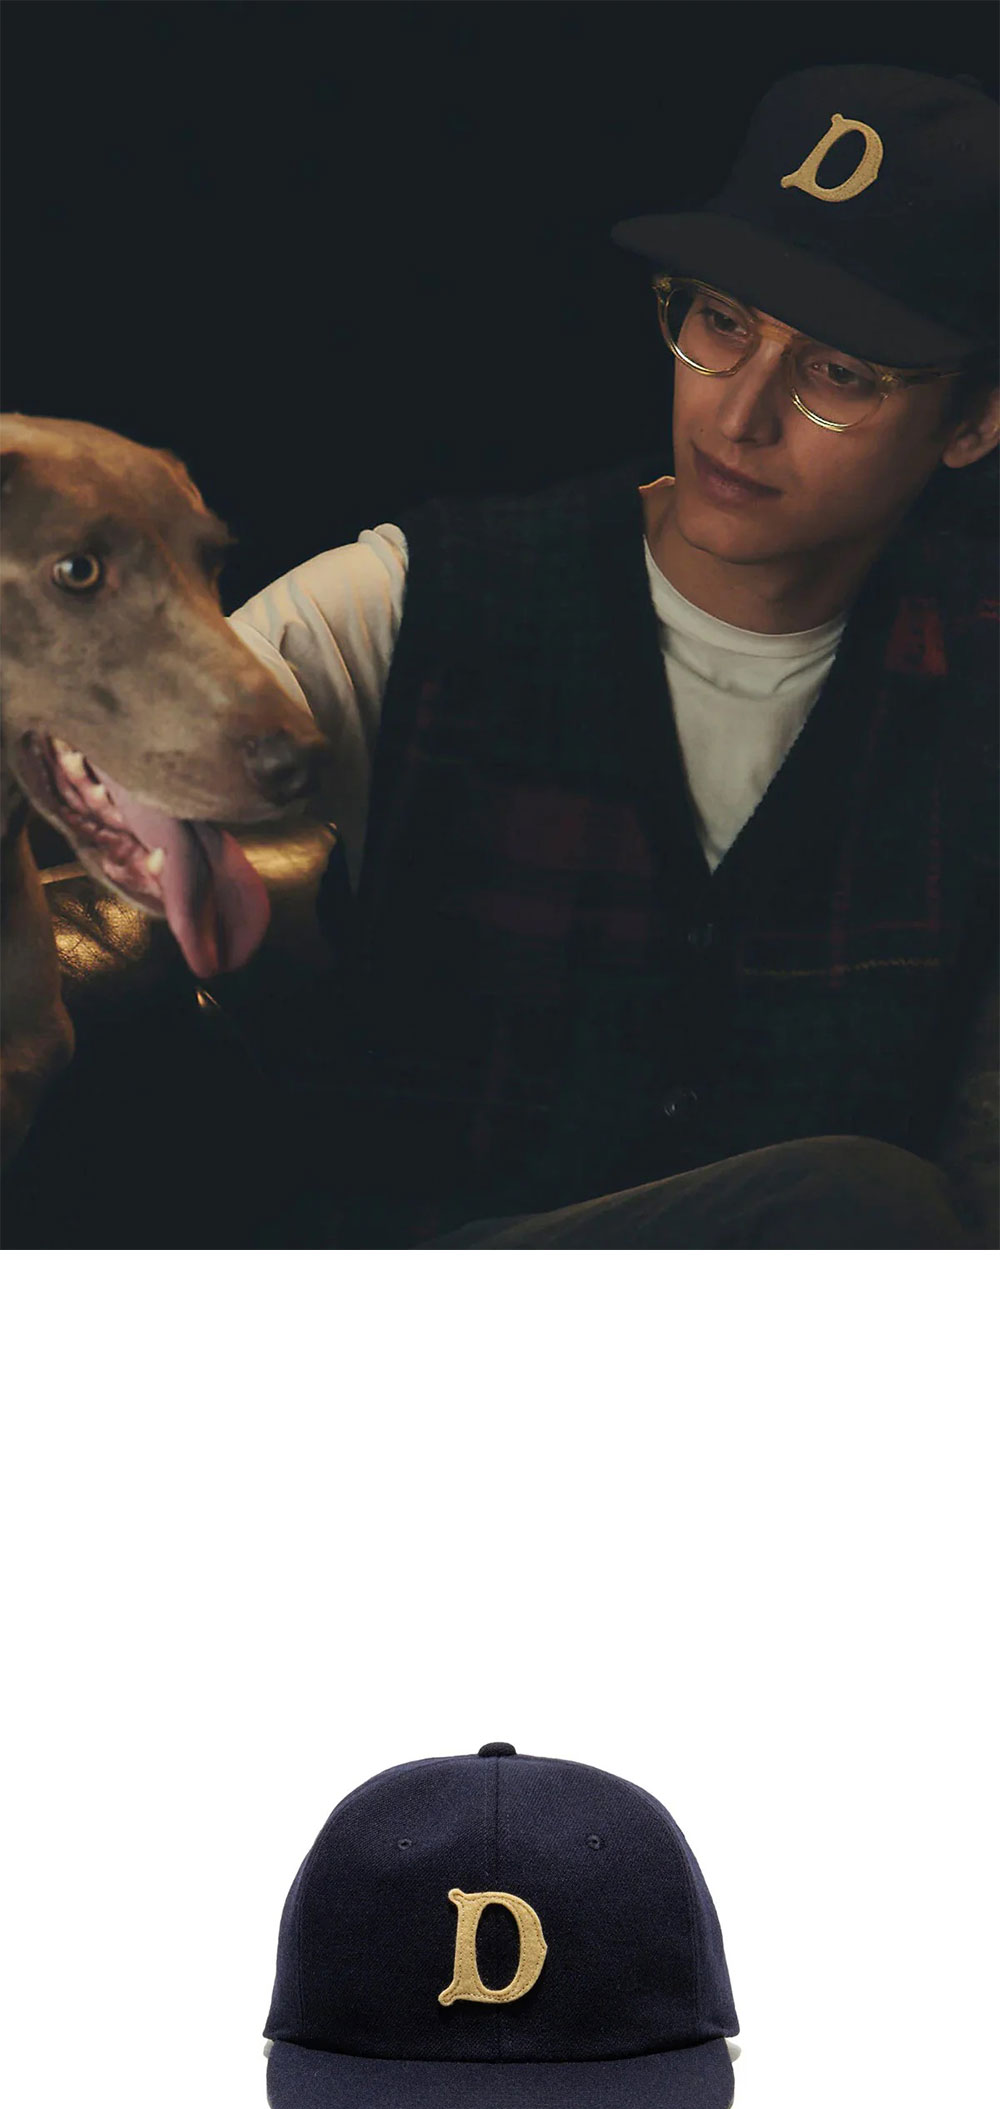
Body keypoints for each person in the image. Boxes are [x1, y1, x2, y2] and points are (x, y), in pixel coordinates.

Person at [228, 64, 999, 1249]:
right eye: (721, 322)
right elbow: (79, 744)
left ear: (974, 422)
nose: (737, 415)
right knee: (859, 1201)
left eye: (838, 373)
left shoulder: (971, 673)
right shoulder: (420, 601)